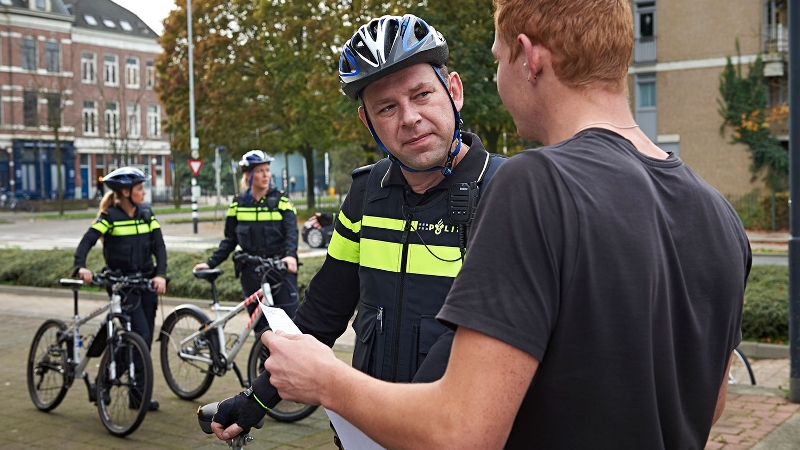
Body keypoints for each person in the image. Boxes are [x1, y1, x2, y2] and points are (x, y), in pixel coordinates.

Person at [250, 1, 753, 448]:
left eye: (496, 57)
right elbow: (708, 407)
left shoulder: (534, 183)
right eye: (387, 107)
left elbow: (463, 431)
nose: (409, 117)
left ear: (528, 58)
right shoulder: (721, 216)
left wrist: (326, 380)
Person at [210, 13, 505, 440]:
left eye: (422, 94)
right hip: (365, 435)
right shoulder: (368, 194)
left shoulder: (505, 191)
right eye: (387, 107)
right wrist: (256, 399)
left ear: (453, 91)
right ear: (369, 124)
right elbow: (324, 313)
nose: (409, 117)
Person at [74, 167, 167, 412]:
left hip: (145, 283)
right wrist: (80, 267)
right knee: (140, 335)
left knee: (142, 339)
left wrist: (160, 274)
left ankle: (137, 396)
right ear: (125, 192)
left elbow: (160, 246)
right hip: (122, 285)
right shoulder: (109, 217)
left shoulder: (147, 214)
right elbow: (87, 240)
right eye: (139, 188)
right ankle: (106, 382)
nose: (144, 192)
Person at [194, 150, 300, 331]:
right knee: (262, 329)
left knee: (288, 326)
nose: (266, 175)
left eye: (267, 170)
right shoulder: (238, 204)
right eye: (260, 171)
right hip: (251, 271)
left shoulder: (281, 200)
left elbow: (292, 232)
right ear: (248, 175)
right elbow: (230, 240)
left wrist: (291, 256)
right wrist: (210, 262)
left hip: (279, 268)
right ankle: (260, 359)